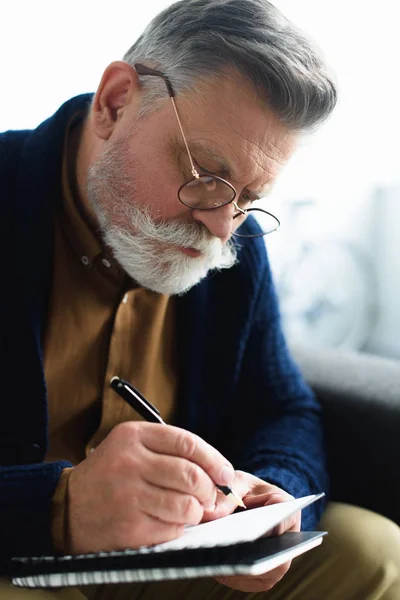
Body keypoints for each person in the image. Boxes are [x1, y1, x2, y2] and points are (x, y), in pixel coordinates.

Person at [0, 0, 399, 598]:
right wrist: (57, 509)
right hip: (16, 557)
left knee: (377, 554)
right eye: (208, 177)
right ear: (115, 102)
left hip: (172, 560)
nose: (222, 227)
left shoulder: (238, 238)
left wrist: (271, 497)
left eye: (248, 197)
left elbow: (282, 407)